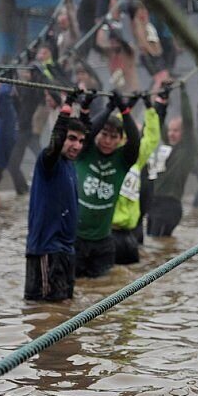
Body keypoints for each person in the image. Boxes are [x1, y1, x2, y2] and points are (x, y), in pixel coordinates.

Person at [24, 92, 89, 302]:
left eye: (80, 141)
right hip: (46, 251)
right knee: (45, 313)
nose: (76, 145)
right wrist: (67, 105)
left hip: (66, 252)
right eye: (71, 139)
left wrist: (86, 108)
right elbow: (56, 140)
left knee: (64, 309)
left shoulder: (71, 163)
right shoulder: (48, 161)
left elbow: (88, 131)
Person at [75, 92, 141, 278]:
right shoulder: (84, 152)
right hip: (76, 239)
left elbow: (135, 141)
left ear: (120, 140)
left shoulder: (122, 160)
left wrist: (125, 111)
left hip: (103, 243)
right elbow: (87, 132)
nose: (107, 141)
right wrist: (107, 109)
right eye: (104, 134)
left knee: (103, 291)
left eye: (113, 137)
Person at [111, 93, 165, 264]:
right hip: (109, 231)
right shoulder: (113, 156)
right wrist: (126, 109)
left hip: (129, 231)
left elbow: (152, 136)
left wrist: (150, 108)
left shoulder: (138, 159)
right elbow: (115, 127)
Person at [148, 83, 198, 237]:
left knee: (158, 243)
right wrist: (163, 98)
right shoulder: (167, 146)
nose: (171, 134)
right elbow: (159, 122)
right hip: (154, 203)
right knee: (152, 246)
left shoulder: (187, 150)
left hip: (170, 206)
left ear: (184, 133)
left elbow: (188, 122)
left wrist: (183, 92)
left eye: (175, 130)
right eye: (170, 130)